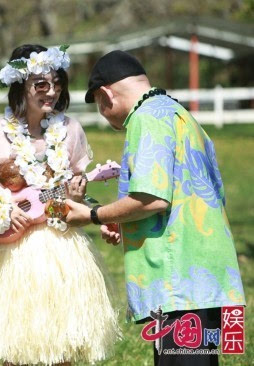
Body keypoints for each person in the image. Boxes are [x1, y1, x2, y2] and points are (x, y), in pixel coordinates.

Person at [65, 50, 246, 365]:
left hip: (179, 279)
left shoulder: (146, 118)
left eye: (98, 104)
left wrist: (93, 215)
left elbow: (152, 199)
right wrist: (124, 221)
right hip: (210, 273)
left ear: (105, 94)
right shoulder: (177, 113)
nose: (103, 113)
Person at [0, 44, 120, 366]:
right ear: (20, 87)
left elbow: (76, 189)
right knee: (15, 345)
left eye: (57, 84)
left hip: (60, 245)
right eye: (42, 84)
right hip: (11, 249)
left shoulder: (71, 131)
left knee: (61, 343)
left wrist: (80, 196)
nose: (52, 91)